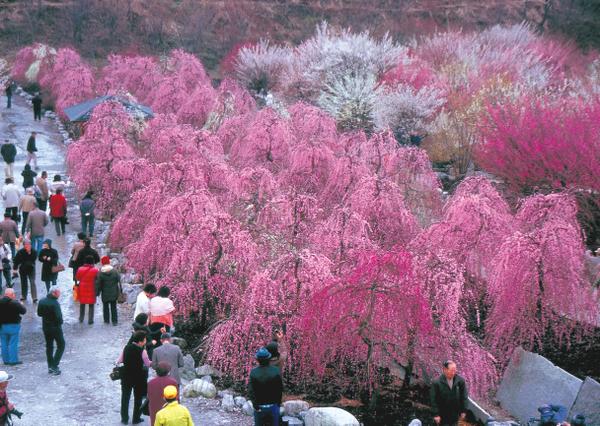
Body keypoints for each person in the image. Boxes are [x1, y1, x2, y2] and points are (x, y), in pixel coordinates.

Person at [120, 330, 149, 425]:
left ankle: (124, 418)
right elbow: (147, 364)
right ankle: (136, 418)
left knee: (125, 398)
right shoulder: (142, 351)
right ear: (140, 341)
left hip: (126, 377)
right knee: (138, 399)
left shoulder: (126, 347)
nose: (145, 341)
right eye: (145, 339)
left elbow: (120, 360)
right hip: (138, 378)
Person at [248, 347, 283, 426]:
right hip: (273, 405)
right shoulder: (276, 371)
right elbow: (280, 389)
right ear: (269, 358)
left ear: (257, 360)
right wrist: (278, 403)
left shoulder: (254, 373)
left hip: (259, 406)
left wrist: (255, 405)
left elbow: (251, 391)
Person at [430, 360, 468, 426]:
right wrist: (436, 414)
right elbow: (433, 400)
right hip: (442, 414)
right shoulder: (436, 382)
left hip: (455, 414)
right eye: (451, 370)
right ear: (445, 369)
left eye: (455, 370)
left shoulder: (460, 381)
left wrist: (463, 410)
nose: (453, 373)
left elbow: (464, 396)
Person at [37, 286, 64, 375]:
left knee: (49, 346)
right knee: (61, 345)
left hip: (46, 327)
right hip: (55, 328)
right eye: (58, 293)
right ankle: (54, 365)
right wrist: (60, 323)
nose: (59, 294)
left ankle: (50, 366)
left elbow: (39, 314)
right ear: (53, 293)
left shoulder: (42, 301)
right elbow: (59, 317)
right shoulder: (55, 303)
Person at [0, 288, 26, 365]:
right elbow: (23, 311)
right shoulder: (14, 303)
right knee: (13, 343)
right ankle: (13, 360)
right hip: (13, 326)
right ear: (11, 295)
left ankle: (6, 360)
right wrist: (21, 305)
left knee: (4, 343)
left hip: (2, 326)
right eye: (14, 294)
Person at [148, 361, 178, 426]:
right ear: (168, 371)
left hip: (155, 409)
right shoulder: (173, 382)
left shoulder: (150, 383)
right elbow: (176, 398)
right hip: (169, 410)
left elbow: (149, 397)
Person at [95, 255, 121, 325]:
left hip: (105, 293)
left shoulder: (100, 272)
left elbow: (98, 284)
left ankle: (106, 320)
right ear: (109, 262)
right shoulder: (114, 271)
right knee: (113, 307)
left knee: (105, 307)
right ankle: (114, 321)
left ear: (102, 263)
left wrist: (97, 293)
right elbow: (119, 279)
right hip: (114, 292)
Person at [75, 255, 98, 324]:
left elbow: (77, 278)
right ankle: (90, 320)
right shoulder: (95, 270)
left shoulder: (80, 269)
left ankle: (81, 318)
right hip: (92, 288)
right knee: (91, 304)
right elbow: (97, 279)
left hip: (82, 288)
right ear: (92, 262)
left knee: (82, 303)